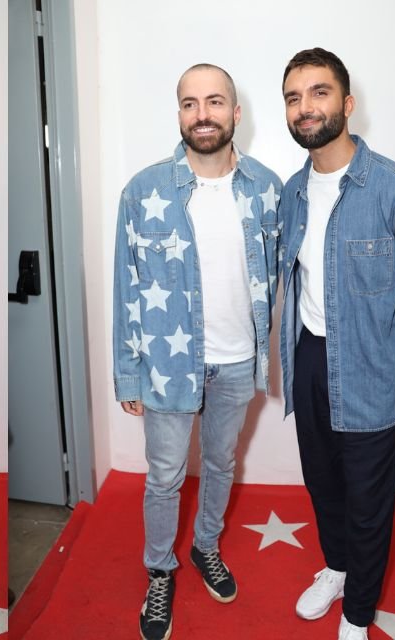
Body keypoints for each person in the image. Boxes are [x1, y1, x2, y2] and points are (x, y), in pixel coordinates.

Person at [278, 48, 395, 640]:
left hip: (372, 367)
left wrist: (382, 344)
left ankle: (358, 613)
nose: (306, 107)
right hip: (309, 358)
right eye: (294, 97)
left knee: (369, 500)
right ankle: (336, 567)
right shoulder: (292, 192)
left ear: (347, 104)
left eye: (319, 92)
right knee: (322, 482)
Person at [113, 64, 282, 640]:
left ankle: (206, 544)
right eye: (190, 104)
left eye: (214, 102)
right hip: (167, 363)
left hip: (238, 361)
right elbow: (125, 287)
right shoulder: (143, 191)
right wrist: (127, 374)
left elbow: (280, 276)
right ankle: (161, 568)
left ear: (236, 114)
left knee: (219, 463)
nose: (201, 114)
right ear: (179, 114)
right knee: (164, 476)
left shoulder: (266, 188)